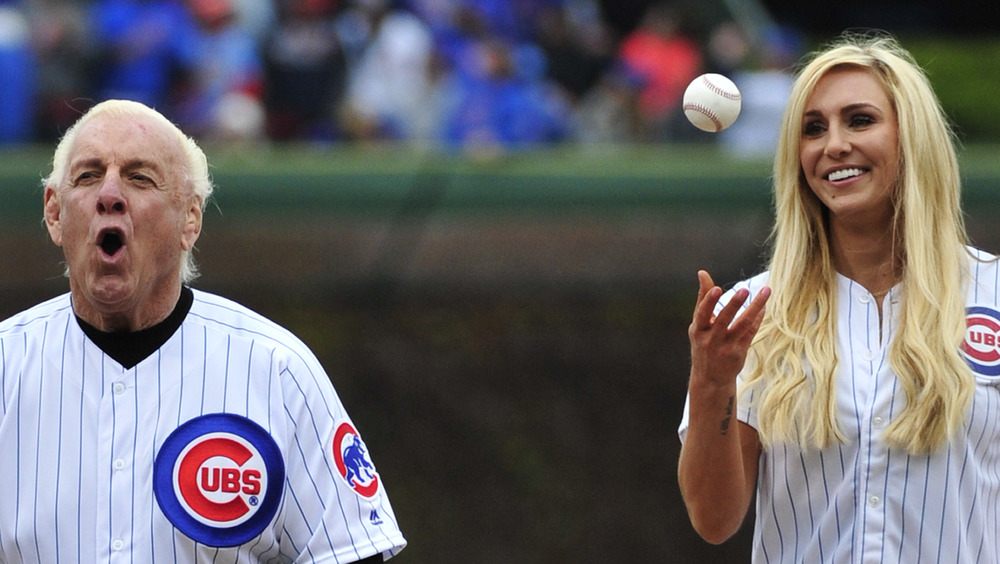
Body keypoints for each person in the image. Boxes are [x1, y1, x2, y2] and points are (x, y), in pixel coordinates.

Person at [0, 99, 406, 562]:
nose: (109, 194)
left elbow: (348, 552)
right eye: (89, 175)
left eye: (139, 177)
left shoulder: (277, 371)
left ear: (190, 218)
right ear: (55, 213)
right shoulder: (6, 366)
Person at [677, 32, 1000, 562]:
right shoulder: (754, 309)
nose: (834, 145)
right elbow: (714, 520)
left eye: (860, 120)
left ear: (911, 138)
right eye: (812, 129)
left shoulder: (992, 292)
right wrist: (712, 381)